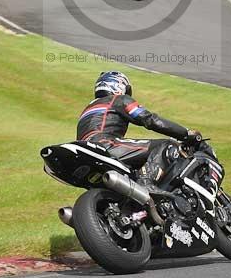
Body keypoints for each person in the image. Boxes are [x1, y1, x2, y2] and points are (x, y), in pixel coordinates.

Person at [76, 71, 219, 196]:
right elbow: (150, 120)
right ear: (118, 86)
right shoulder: (119, 99)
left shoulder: (86, 110)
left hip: (88, 151)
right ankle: (146, 183)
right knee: (166, 145)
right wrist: (186, 134)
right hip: (106, 144)